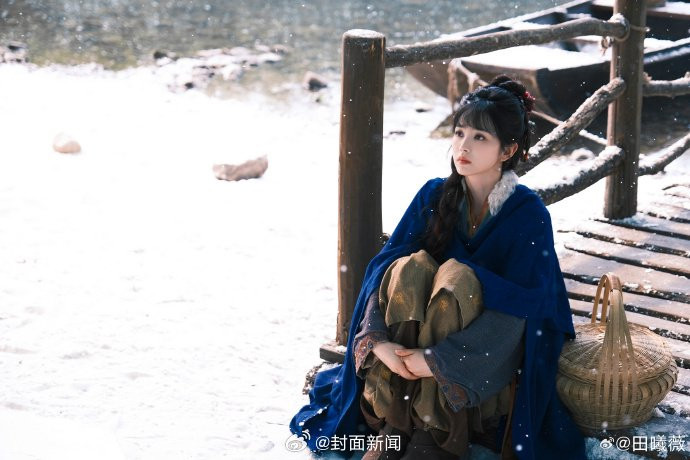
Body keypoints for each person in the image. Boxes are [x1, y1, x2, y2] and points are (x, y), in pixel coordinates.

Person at [289, 75, 587, 460]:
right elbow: (384, 270)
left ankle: (437, 431)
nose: (463, 146)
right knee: (410, 267)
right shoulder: (434, 193)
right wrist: (379, 341)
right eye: (459, 133)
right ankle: (398, 420)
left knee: (457, 279)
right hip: (414, 346)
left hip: (487, 348)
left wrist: (438, 360)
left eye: (480, 137)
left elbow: (524, 307)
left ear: (508, 150)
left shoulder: (527, 213)